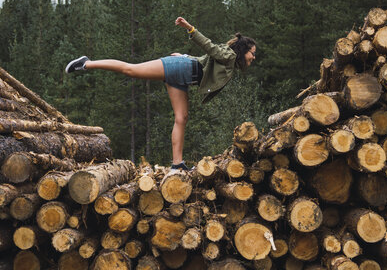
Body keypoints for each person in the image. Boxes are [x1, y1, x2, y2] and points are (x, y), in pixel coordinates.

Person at [65, 17, 257, 170]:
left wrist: (185, 56)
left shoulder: (228, 61)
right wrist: (191, 29)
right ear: (243, 50)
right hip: (178, 70)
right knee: (131, 69)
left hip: (183, 76)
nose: (253, 58)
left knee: (182, 118)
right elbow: (209, 47)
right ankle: (86, 64)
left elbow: (203, 60)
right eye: (252, 53)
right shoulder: (230, 56)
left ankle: (177, 164)